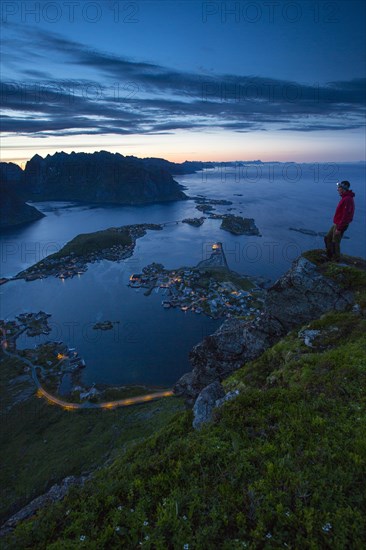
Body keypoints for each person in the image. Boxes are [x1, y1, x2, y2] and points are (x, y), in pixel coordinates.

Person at [324, 181, 355, 262]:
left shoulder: (347, 199)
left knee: (335, 242)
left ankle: (335, 260)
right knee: (327, 238)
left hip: (340, 224)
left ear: (343, 189)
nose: (337, 189)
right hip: (337, 223)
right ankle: (329, 255)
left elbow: (346, 215)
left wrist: (339, 228)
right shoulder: (345, 198)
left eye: (339, 188)